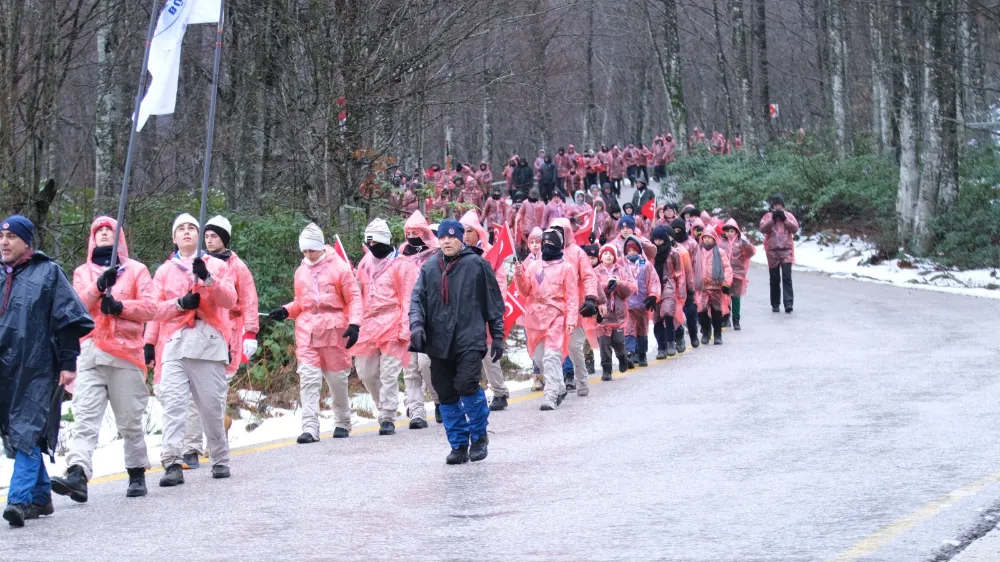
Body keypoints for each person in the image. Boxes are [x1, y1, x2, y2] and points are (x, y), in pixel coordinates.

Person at [0, 216, 93, 526]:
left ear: (27, 241)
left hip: (39, 367)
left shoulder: (48, 273)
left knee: (27, 429)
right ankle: (41, 497)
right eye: (2, 236)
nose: (4, 242)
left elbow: (67, 320)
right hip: (5, 369)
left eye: (11, 236)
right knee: (17, 433)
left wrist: (68, 364)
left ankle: (18, 500)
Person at [53, 217, 154, 504]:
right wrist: (98, 286)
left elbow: (150, 308)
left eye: (110, 229)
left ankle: (136, 471)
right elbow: (75, 307)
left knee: (129, 420)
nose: (104, 233)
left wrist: (122, 307)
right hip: (91, 354)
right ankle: (77, 474)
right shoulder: (82, 272)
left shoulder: (136, 270)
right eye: (99, 231)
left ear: (119, 236)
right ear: (92, 239)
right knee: (85, 418)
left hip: (125, 354)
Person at [145, 214, 237, 487]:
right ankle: (172, 461)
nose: (186, 232)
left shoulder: (217, 266)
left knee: (211, 407)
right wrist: (178, 305)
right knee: (174, 405)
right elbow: (153, 309)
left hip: (208, 342)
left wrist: (208, 279)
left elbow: (229, 300)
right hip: (174, 344)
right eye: (181, 229)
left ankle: (220, 458)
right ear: (174, 238)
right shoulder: (163, 271)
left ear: (200, 236)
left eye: (191, 228)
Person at [408, 220, 504, 465]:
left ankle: (479, 436)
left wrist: (498, 336)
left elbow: (493, 303)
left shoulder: (477, 265)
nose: (447, 241)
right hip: (439, 341)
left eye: (452, 237)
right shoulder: (429, 267)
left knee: (466, 384)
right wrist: (417, 326)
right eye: (442, 237)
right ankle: (459, 444)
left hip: (469, 337)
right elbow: (417, 300)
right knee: (446, 392)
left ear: (461, 238)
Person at [179, 215, 259, 469]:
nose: (210, 240)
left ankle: (214, 442)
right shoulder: (197, 262)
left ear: (224, 238)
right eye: (208, 235)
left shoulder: (238, 267)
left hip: (230, 333)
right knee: (193, 392)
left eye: (215, 236)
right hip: (199, 329)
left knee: (214, 392)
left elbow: (249, 301)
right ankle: (190, 447)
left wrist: (250, 333)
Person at [268, 223, 361, 444]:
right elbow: (301, 302)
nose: (308, 255)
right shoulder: (301, 272)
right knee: (308, 378)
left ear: (320, 247)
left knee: (337, 379)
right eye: (304, 251)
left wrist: (355, 324)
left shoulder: (339, 268)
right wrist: (286, 310)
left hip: (334, 328)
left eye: (311, 250)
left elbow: (354, 297)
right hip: (307, 330)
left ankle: (342, 421)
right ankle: (310, 426)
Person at [352, 219, 417, 436]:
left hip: (393, 322)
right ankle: (383, 405)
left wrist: (406, 328)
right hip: (368, 325)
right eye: (369, 243)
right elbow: (357, 294)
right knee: (366, 372)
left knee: (389, 373)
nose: (373, 248)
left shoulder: (402, 265)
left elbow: (409, 298)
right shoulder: (365, 263)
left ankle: (387, 416)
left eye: (376, 243)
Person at [514, 228, 579, 410]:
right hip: (535, 316)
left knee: (552, 356)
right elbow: (525, 291)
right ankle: (559, 387)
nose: (547, 246)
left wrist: (571, 320)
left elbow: (572, 297)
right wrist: (519, 275)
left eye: (552, 242)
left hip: (556, 315)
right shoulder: (534, 266)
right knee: (540, 357)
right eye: (545, 242)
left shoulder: (566, 268)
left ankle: (550, 396)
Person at [459, 211, 511, 411]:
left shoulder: (491, 252)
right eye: (462, 231)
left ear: (478, 232)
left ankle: (499, 391)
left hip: (485, 311)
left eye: (469, 231)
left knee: (489, 354)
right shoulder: (457, 252)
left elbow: (500, 283)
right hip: (464, 313)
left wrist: (495, 307)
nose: (465, 235)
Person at [399, 212, 442, 427]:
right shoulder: (401, 256)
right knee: (410, 368)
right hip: (406, 317)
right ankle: (416, 412)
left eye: (416, 232)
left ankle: (439, 400)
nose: (412, 236)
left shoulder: (437, 255)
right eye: (409, 233)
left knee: (427, 364)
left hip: (431, 318)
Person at [549, 218, 600, 396]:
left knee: (574, 347)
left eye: (560, 230)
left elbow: (588, 276)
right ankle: (558, 384)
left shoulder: (577, 252)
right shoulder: (546, 252)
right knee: (553, 349)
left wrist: (591, 298)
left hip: (575, 307)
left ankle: (581, 379)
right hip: (553, 308)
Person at [593, 245, 634, 380]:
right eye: (605, 254)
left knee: (618, 342)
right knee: (604, 343)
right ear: (601, 257)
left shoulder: (621, 271)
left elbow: (629, 289)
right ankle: (606, 369)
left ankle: (622, 357)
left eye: (611, 254)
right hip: (602, 314)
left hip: (618, 314)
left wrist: (619, 284)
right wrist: (606, 285)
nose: (608, 256)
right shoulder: (595, 272)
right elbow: (593, 289)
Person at [622, 236, 660, 368]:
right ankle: (630, 353)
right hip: (628, 304)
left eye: (634, 250)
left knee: (642, 330)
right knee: (630, 329)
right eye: (629, 250)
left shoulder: (646, 265)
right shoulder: (622, 265)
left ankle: (642, 354)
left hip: (643, 303)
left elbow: (653, 281)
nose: (632, 253)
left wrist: (653, 295)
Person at [650, 226, 685, 359]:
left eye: (660, 239)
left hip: (669, 285)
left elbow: (680, 273)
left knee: (668, 313)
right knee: (657, 318)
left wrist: (681, 291)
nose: (657, 242)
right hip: (654, 287)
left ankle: (671, 342)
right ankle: (661, 347)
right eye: (655, 239)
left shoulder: (673, 253)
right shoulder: (650, 253)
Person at [760, 194, 799, 313]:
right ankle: (775, 304)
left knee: (787, 277)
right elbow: (762, 229)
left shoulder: (789, 216)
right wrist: (772, 219)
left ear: (783, 205)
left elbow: (795, 229)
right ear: (772, 206)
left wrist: (785, 219)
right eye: (776, 205)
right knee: (775, 278)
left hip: (786, 250)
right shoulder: (767, 216)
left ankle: (788, 303)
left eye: (780, 205)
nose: (778, 207)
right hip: (772, 250)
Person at [695, 226, 733, 345]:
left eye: (709, 238)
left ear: (714, 239)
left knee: (717, 311)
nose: (706, 240)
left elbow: (727, 268)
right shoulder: (697, 252)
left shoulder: (720, 252)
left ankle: (717, 334)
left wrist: (726, 283)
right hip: (702, 287)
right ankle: (706, 332)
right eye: (704, 237)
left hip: (716, 286)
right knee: (701, 311)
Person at [720, 219, 756, 330]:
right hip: (725, 274)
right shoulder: (721, 242)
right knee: (725, 297)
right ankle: (726, 317)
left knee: (736, 297)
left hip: (737, 274)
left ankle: (736, 320)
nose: (729, 233)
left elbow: (751, 253)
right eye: (727, 231)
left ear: (736, 231)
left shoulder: (741, 243)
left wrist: (748, 245)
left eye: (732, 231)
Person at [670, 218, 699, 351]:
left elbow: (695, 264)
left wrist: (693, 286)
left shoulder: (690, 245)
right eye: (673, 231)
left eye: (678, 230)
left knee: (690, 311)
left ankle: (693, 334)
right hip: (672, 285)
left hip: (688, 281)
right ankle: (679, 336)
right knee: (675, 313)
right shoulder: (667, 247)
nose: (676, 233)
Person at [515, 188, 545, 254]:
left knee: (536, 245)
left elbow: (543, 216)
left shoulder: (541, 204)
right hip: (527, 228)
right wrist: (517, 218)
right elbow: (520, 212)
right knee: (527, 244)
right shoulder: (525, 203)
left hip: (536, 229)